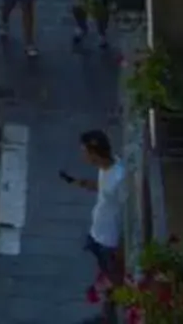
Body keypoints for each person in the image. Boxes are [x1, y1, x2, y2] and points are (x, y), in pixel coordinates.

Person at [61, 128, 127, 317]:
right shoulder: (104, 169)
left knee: (112, 280)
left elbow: (123, 210)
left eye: (84, 152)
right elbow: (104, 190)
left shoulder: (119, 176)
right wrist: (84, 184)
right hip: (98, 233)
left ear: (94, 153)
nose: (83, 156)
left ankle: (109, 316)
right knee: (104, 276)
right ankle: (106, 314)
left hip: (110, 239)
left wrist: (121, 247)